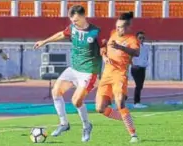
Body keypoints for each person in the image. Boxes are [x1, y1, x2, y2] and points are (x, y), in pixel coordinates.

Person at [34, 5, 103, 142]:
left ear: (84, 17)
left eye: (76, 20)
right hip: (74, 69)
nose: (74, 23)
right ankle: (64, 124)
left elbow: (104, 49)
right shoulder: (72, 28)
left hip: (89, 72)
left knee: (76, 101)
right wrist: (44, 41)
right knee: (56, 92)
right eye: (72, 20)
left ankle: (86, 126)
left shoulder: (96, 32)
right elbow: (61, 34)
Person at [96, 12, 140, 143]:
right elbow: (104, 47)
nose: (118, 29)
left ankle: (133, 135)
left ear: (127, 27)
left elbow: (136, 52)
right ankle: (125, 117)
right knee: (100, 109)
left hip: (119, 75)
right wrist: (104, 56)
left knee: (120, 102)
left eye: (121, 27)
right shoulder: (112, 34)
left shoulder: (132, 39)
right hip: (106, 75)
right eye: (117, 26)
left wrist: (120, 47)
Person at [131, 31, 149, 108]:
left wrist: (145, 65)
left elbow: (146, 57)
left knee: (140, 86)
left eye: (143, 38)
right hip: (136, 68)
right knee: (138, 85)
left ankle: (138, 102)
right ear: (136, 38)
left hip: (142, 68)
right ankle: (136, 102)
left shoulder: (145, 47)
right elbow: (129, 56)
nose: (142, 39)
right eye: (140, 38)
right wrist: (132, 64)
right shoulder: (133, 46)